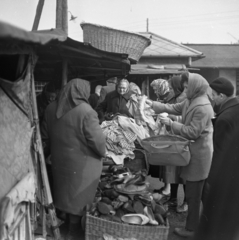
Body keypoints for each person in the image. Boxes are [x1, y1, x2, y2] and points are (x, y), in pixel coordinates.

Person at [146, 73, 214, 238]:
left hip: (200, 154)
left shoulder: (203, 106)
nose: (184, 90)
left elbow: (193, 132)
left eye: (186, 87)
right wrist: (151, 103)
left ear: (195, 87)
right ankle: (209, 223)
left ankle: (191, 229)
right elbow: (173, 108)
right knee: (200, 191)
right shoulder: (191, 100)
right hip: (192, 152)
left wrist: (172, 124)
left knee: (193, 193)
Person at [41, 78, 106, 239]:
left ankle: (64, 221)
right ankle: (73, 229)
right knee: (79, 195)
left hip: (59, 163)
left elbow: (44, 137)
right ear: (83, 92)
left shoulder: (50, 108)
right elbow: (99, 146)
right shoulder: (87, 111)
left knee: (65, 191)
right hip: (84, 165)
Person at [194, 77, 239, 240]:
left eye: (213, 95)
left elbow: (221, 154)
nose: (211, 98)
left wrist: (212, 180)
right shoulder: (235, 108)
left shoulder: (225, 118)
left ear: (221, 96)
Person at [163, 76, 188, 213]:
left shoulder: (185, 99)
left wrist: (171, 119)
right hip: (173, 138)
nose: (170, 90)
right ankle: (173, 198)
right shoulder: (174, 97)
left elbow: (185, 120)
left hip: (183, 140)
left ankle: (185, 202)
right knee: (173, 170)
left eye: (172, 88)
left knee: (183, 172)